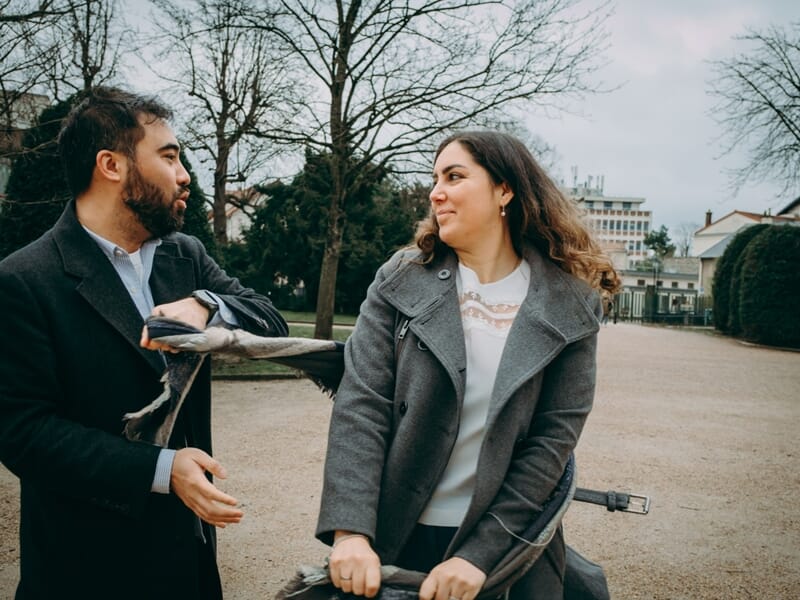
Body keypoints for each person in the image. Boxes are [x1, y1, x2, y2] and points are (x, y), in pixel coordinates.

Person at [0, 86, 287, 599]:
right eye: (170, 157)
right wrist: (160, 469)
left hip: (189, 570)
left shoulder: (186, 256)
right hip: (83, 574)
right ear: (111, 165)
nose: (185, 177)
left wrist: (208, 303)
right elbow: (23, 433)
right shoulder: (24, 280)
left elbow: (269, 321)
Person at [316, 130, 620, 599]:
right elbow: (362, 406)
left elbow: (551, 443)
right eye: (434, 178)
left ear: (505, 189)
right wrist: (351, 532)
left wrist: (479, 554)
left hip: (506, 550)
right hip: (396, 536)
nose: (436, 192)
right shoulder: (400, 279)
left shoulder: (571, 304)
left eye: (454, 176)